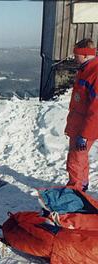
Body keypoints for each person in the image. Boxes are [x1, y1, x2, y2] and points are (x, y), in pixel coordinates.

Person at [65, 38, 98, 192]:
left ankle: (75, 192)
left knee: (75, 159)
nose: (74, 57)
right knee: (80, 158)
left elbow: (96, 109)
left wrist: (85, 134)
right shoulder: (85, 69)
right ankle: (81, 187)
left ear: (85, 54)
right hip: (78, 124)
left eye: (76, 54)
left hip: (85, 128)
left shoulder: (94, 73)